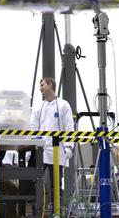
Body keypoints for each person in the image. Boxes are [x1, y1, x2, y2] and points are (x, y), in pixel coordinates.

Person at [29, 78, 72, 216]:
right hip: (41, 150)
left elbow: (69, 126)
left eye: (42, 85)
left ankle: (57, 212)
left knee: (56, 184)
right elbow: (33, 128)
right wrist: (33, 146)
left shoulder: (63, 105)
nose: (40, 88)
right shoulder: (38, 107)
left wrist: (69, 146)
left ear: (51, 85)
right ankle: (38, 212)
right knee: (38, 184)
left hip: (56, 150)